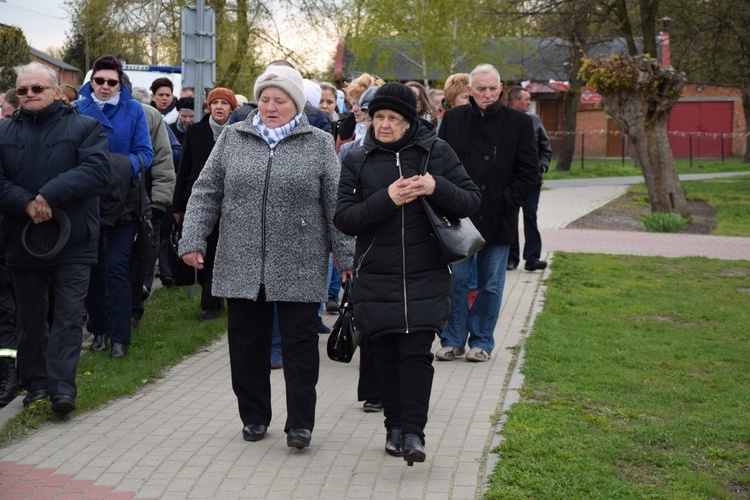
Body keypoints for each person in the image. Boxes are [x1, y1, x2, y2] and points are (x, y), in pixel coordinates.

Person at [179, 65, 354, 448]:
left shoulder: (319, 143)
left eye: (280, 100)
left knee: (300, 347)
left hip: (300, 259)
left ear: (296, 105)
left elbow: (335, 205)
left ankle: (300, 425)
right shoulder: (232, 138)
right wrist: (193, 239)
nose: (271, 107)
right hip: (240, 258)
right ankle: (255, 416)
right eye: (265, 99)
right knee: (246, 344)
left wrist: (346, 258)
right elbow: (205, 192)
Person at [335, 83, 480, 465]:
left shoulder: (436, 152)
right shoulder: (356, 158)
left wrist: (436, 186)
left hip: (426, 271)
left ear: (409, 121)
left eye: (393, 119)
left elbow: (470, 199)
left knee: (416, 354)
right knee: (383, 353)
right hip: (375, 273)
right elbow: (344, 218)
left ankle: (414, 433)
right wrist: (387, 198)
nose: (383, 125)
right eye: (377, 117)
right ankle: (394, 427)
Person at [0, 62, 110, 412]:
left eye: (37, 89)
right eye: (23, 91)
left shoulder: (85, 127)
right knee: (29, 318)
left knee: (67, 316)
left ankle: (63, 389)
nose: (30, 95)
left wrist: (49, 194)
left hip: (73, 239)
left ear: (55, 91)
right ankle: (35, 386)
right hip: (22, 237)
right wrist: (26, 202)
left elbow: (97, 172)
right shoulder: (4, 133)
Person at [436, 63, 538, 363]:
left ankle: (481, 341)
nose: (488, 94)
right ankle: (452, 339)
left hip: (499, 214)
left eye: (493, 88)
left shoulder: (519, 123)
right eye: (481, 89)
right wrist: (450, 200)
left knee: (490, 284)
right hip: (458, 214)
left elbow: (528, 172)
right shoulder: (453, 119)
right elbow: (440, 163)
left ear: (501, 88)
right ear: (470, 90)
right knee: (456, 281)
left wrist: (505, 201)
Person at [77, 56, 154, 359]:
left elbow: (146, 154)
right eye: (100, 81)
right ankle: (99, 331)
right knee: (94, 268)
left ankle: (120, 338)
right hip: (88, 200)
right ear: (91, 81)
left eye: (112, 82)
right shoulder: (77, 109)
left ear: (120, 82)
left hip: (124, 200)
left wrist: (122, 167)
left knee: (118, 267)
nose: (106, 87)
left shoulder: (134, 110)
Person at [172, 87, 238, 321]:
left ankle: (212, 302)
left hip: (230, 201)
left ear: (232, 108)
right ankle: (211, 301)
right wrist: (178, 205)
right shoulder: (196, 130)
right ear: (208, 107)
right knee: (205, 251)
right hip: (199, 199)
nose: (219, 107)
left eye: (224, 103)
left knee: (221, 251)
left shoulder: (238, 132)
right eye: (215, 102)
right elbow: (184, 169)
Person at [129, 86, 177, 326]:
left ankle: (135, 305)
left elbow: (165, 157)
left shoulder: (151, 116)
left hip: (144, 198)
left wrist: (159, 199)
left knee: (142, 252)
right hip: (108, 202)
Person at [506, 86, 553, 272]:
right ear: (515, 101)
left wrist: (541, 167)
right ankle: (511, 258)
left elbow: (546, 147)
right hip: (510, 181)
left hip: (532, 181)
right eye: (526, 99)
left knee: (530, 216)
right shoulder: (504, 120)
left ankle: (532, 258)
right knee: (510, 218)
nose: (529, 102)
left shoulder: (534, 120)